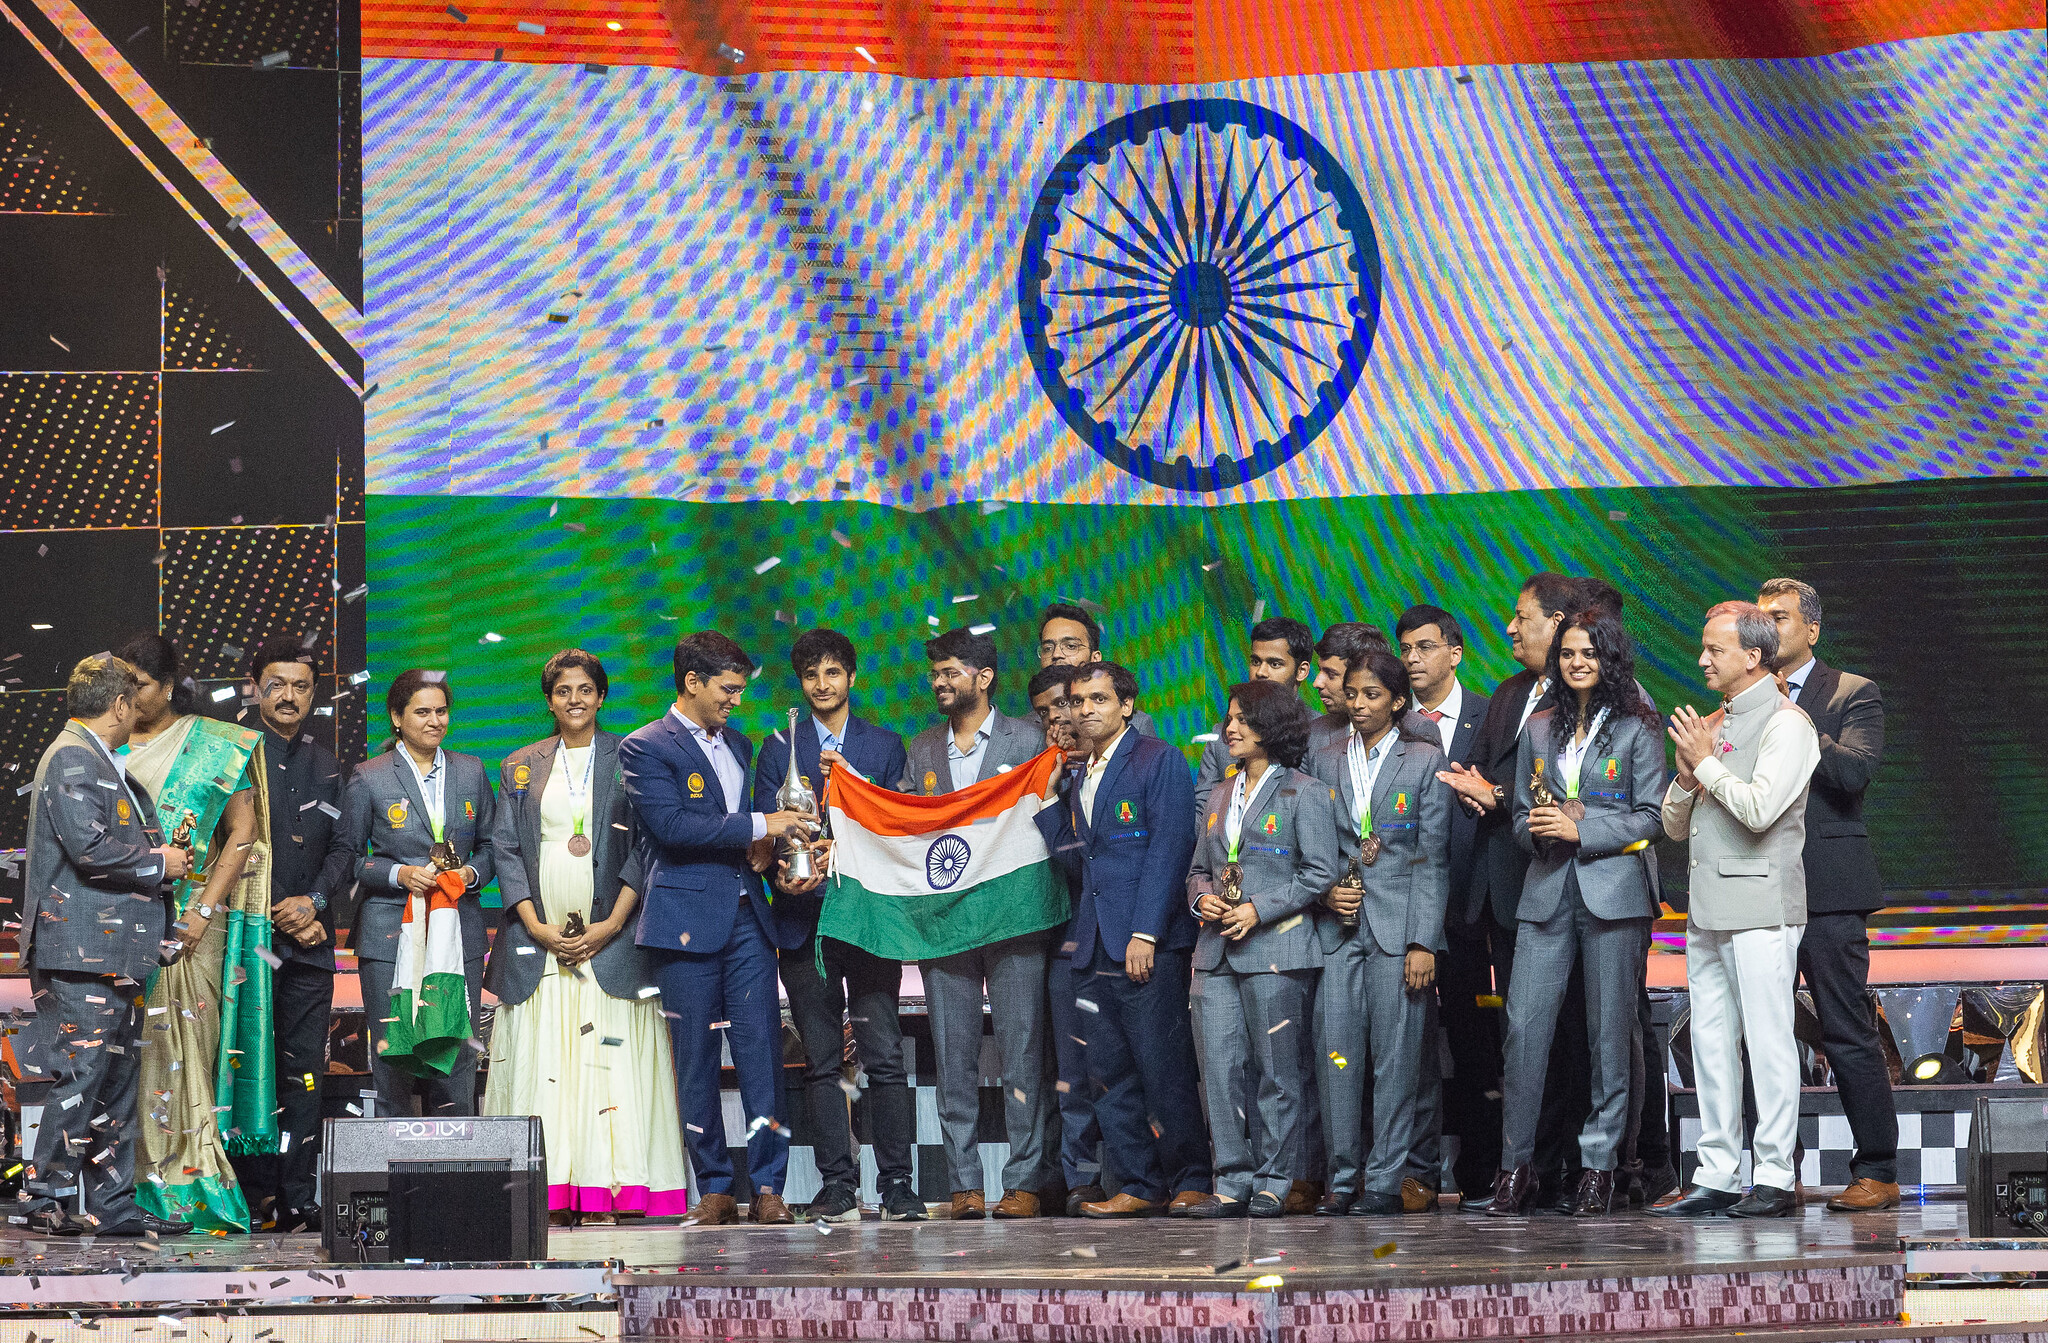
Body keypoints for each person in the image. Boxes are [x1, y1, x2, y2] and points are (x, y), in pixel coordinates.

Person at [483, 649, 687, 1226]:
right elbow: (506, 849)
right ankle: (548, 1190)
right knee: (544, 1060)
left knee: (608, 1065)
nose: (575, 700)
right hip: (539, 943)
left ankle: (616, 1190)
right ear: (549, 700)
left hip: (613, 941)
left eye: (585, 690)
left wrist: (612, 924)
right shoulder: (519, 765)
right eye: (563, 691)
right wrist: (538, 926)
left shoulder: (631, 758)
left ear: (601, 696)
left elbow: (647, 847)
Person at [621, 631, 813, 1227]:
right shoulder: (645, 747)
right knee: (696, 1058)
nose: (735, 700)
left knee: (763, 1054)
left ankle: (769, 1187)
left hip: (748, 919)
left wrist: (766, 848)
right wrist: (762, 823)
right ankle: (712, 1188)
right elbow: (674, 827)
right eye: (727, 690)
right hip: (682, 922)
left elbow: (739, 831)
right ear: (692, 684)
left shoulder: (739, 742)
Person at [1487, 609, 1664, 1217]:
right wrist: (1537, 833)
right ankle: (1515, 1166)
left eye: (1589, 652)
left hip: (1615, 895)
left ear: (1610, 658)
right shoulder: (1537, 729)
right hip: (1544, 891)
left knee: (1608, 1035)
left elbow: (1652, 819)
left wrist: (1580, 827)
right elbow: (1516, 815)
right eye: (1567, 654)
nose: (1577, 662)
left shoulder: (1638, 726)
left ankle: (1599, 1168)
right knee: (1523, 1030)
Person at [1654, 602, 1818, 1220]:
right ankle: (1717, 1173)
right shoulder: (1712, 724)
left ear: (1753, 656)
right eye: (1703, 648)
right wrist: (1686, 778)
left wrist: (1707, 765)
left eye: (1714, 650)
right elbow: (1674, 827)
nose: (1701, 659)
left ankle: (1775, 1175)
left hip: (1763, 904)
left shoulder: (1788, 724)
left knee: (1770, 1040)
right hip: (1708, 907)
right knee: (1710, 1041)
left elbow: (1758, 811)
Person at [750, 629, 921, 1224]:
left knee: (884, 1057)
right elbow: (766, 834)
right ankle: (837, 1184)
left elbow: (901, 829)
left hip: (870, 920)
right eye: (811, 675)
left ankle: (898, 1183)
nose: (822, 685)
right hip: (804, 920)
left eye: (832, 673)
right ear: (801, 683)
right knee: (821, 1060)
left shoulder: (883, 745)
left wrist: (854, 785)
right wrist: (781, 872)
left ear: (852, 677)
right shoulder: (777, 749)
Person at [17, 655, 192, 1238]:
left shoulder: (94, 758)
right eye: (133, 705)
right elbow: (88, 849)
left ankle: (111, 1203)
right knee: (81, 1075)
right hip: (80, 954)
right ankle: (46, 1195)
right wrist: (158, 863)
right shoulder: (72, 755)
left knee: (113, 1082)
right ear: (119, 705)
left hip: (111, 953)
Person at [1435, 573, 1591, 1211]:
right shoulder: (1507, 694)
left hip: (1565, 886)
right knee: (1518, 1036)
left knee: (1571, 1034)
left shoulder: (1594, 696)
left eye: (1521, 616)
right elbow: (1496, 778)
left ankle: (1581, 1168)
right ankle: (1521, 1169)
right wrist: (1484, 793)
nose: (1509, 628)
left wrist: (1499, 797)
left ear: (1557, 623)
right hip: (1500, 889)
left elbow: (1572, 794)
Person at [1035, 662, 1208, 1218]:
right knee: (1107, 1075)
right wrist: (1045, 806)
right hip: (1090, 946)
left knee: (1164, 1067)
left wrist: (1146, 932)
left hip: (1144, 944)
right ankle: (1137, 1182)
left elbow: (1171, 849)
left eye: (1098, 699)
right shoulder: (1079, 775)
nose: (1084, 709)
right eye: (1077, 700)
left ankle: (1191, 1179)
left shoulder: (1159, 760)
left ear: (1127, 705)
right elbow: (1082, 862)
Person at [898, 628, 1055, 1219]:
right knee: (953, 1056)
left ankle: (1023, 1182)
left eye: (950, 673)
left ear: (983, 678)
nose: (939, 683)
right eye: (935, 674)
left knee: (1022, 1054)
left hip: (1015, 918)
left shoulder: (1030, 737)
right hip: (946, 925)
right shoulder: (923, 750)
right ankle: (964, 1183)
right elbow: (907, 828)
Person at [112, 633, 263, 1232]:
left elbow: (242, 832)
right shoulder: (101, 746)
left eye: (139, 684)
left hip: (192, 921)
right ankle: (125, 1185)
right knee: (127, 1057)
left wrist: (202, 911)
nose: (127, 695)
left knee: (185, 1055)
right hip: (119, 922)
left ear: (169, 688)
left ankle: (190, 1179)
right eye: (120, 682)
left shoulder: (214, 745)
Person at [1758, 577, 1897, 1212]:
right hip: (1757, 887)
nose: (1767, 629)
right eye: (1759, 618)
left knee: (1845, 1030)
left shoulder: (1850, 693)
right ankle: (1771, 1172)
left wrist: (1795, 722)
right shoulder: (1742, 696)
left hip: (1829, 890)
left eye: (1780, 618)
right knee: (1760, 1032)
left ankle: (1877, 1168)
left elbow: (1854, 774)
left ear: (1811, 629)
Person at [1183, 681, 1341, 1218]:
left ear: (1271, 726)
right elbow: (1199, 869)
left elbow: (1320, 872)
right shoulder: (1220, 792)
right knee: (1221, 1071)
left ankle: (1275, 1178)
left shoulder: (1306, 791)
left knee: (1278, 1072)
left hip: (1277, 948)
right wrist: (1202, 898)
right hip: (1215, 951)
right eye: (1228, 718)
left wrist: (1259, 908)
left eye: (1242, 719)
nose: (1230, 727)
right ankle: (1230, 1180)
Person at [1305, 650, 1450, 1215]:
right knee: (1337, 1055)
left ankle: (1385, 1181)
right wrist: (1324, 892)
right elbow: (1311, 847)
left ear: (1396, 701)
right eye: (1353, 694)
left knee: (1397, 1060)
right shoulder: (1324, 758)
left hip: (1399, 932)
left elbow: (1433, 860)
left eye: (1372, 695)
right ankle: (1343, 1180)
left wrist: (1422, 941)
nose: (1359, 704)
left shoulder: (1421, 761)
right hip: (1340, 928)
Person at [231, 637, 355, 1233]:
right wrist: (269, 911)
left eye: (301, 686)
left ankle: (300, 1195)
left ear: (314, 693)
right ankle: (251, 1192)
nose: (288, 696)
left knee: (304, 1072)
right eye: (276, 684)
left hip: (310, 943)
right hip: (244, 945)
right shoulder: (233, 755)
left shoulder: (330, 764)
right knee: (247, 1065)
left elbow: (346, 850)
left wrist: (314, 905)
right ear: (256, 688)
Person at [342, 670, 496, 1119]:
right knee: (393, 1059)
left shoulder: (470, 770)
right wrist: (400, 874)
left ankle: (456, 1180)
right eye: (422, 711)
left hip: (457, 930)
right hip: (390, 933)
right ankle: (396, 1182)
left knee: (457, 1056)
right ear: (396, 717)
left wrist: (469, 873)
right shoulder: (369, 776)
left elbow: (491, 847)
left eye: (441, 711)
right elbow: (350, 859)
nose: (435, 721)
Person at [1394, 605, 1495, 1197]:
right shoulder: (1392, 722)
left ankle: (1481, 1174)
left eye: (1425, 647)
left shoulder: (1490, 716)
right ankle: (1412, 1171)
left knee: (1476, 1043)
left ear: (1455, 652)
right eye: (1406, 648)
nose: (1413, 659)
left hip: (1473, 912)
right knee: (1408, 1047)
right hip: (1402, 914)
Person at [1027, 664, 1103, 1213]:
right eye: (1048, 710)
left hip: (1123, 939)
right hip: (1062, 939)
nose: (1061, 717)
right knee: (1072, 1070)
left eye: (1069, 704)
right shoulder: (1041, 779)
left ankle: (1135, 1176)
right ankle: (1081, 1178)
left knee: (1120, 1066)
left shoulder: (1122, 766)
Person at [1192, 617, 1318, 818]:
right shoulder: (1222, 736)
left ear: (1301, 671)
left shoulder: (1319, 733)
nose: (1261, 672)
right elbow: (1203, 813)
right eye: (1255, 661)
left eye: (1275, 664)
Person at [1036, 603, 1157, 737]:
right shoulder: (1024, 731)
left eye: (1070, 646)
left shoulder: (1134, 723)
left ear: (1095, 658)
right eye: (1047, 648)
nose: (1056, 654)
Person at [1310, 623, 1393, 750]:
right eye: (1319, 670)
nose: (1317, 683)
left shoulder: (1414, 732)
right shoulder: (1314, 734)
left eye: (1331, 674)